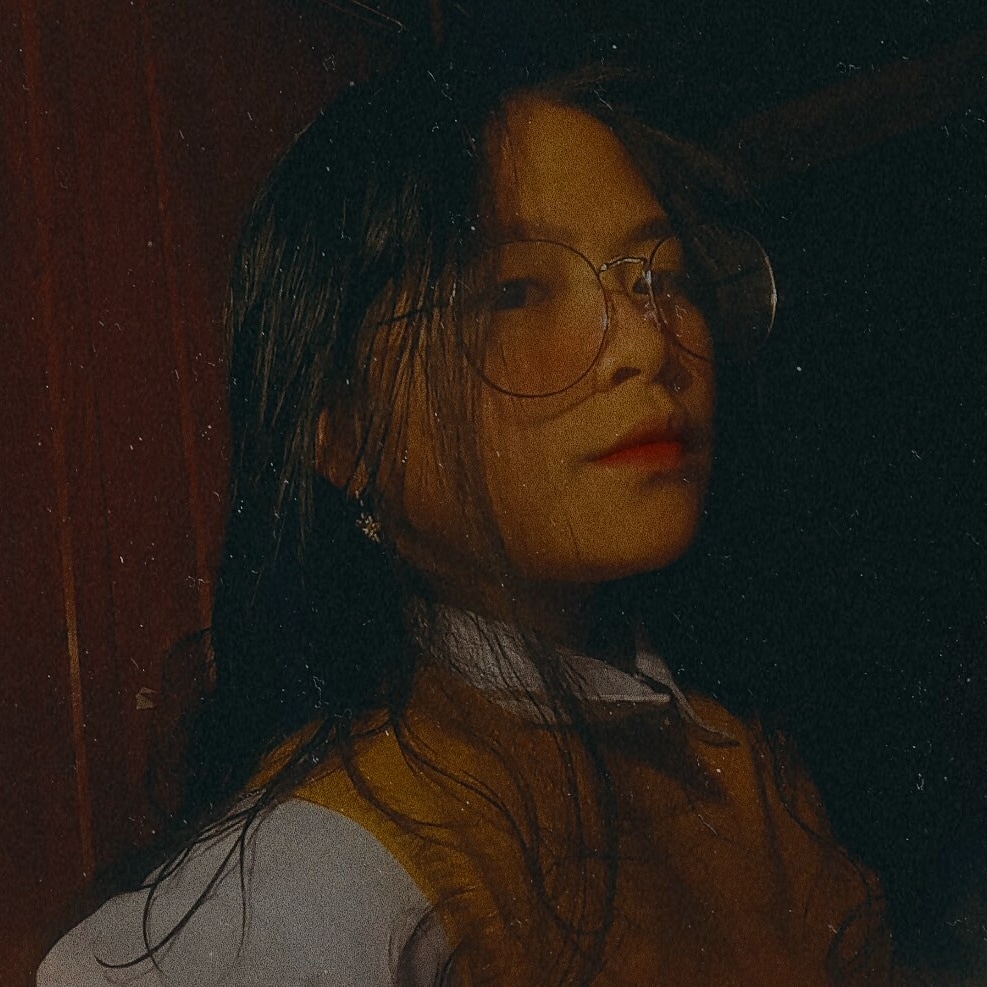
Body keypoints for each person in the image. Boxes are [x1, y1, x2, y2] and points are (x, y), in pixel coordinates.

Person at [38, 52, 892, 986]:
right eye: (514, 291)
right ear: (341, 431)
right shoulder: (322, 874)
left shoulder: (743, 764)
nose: (647, 344)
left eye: (663, 278)